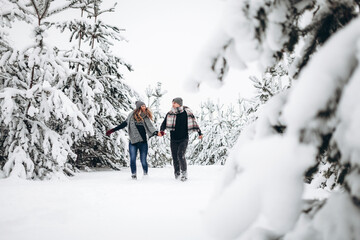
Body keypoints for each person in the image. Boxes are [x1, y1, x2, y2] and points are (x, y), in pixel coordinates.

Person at [106, 101, 158, 180]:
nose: (145, 107)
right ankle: (133, 175)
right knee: (132, 159)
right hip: (133, 142)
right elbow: (123, 124)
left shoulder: (145, 117)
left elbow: (151, 127)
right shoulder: (131, 116)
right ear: (139, 107)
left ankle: (145, 175)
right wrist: (112, 130)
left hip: (143, 142)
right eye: (143, 106)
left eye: (145, 106)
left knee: (143, 160)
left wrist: (157, 133)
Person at [159, 97, 203, 181]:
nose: (173, 104)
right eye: (172, 103)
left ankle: (184, 173)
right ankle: (177, 173)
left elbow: (194, 123)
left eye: (174, 103)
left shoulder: (187, 113)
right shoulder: (170, 113)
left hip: (184, 138)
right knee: (175, 157)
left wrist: (199, 133)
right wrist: (162, 130)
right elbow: (164, 123)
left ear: (179, 104)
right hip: (173, 139)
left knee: (180, 154)